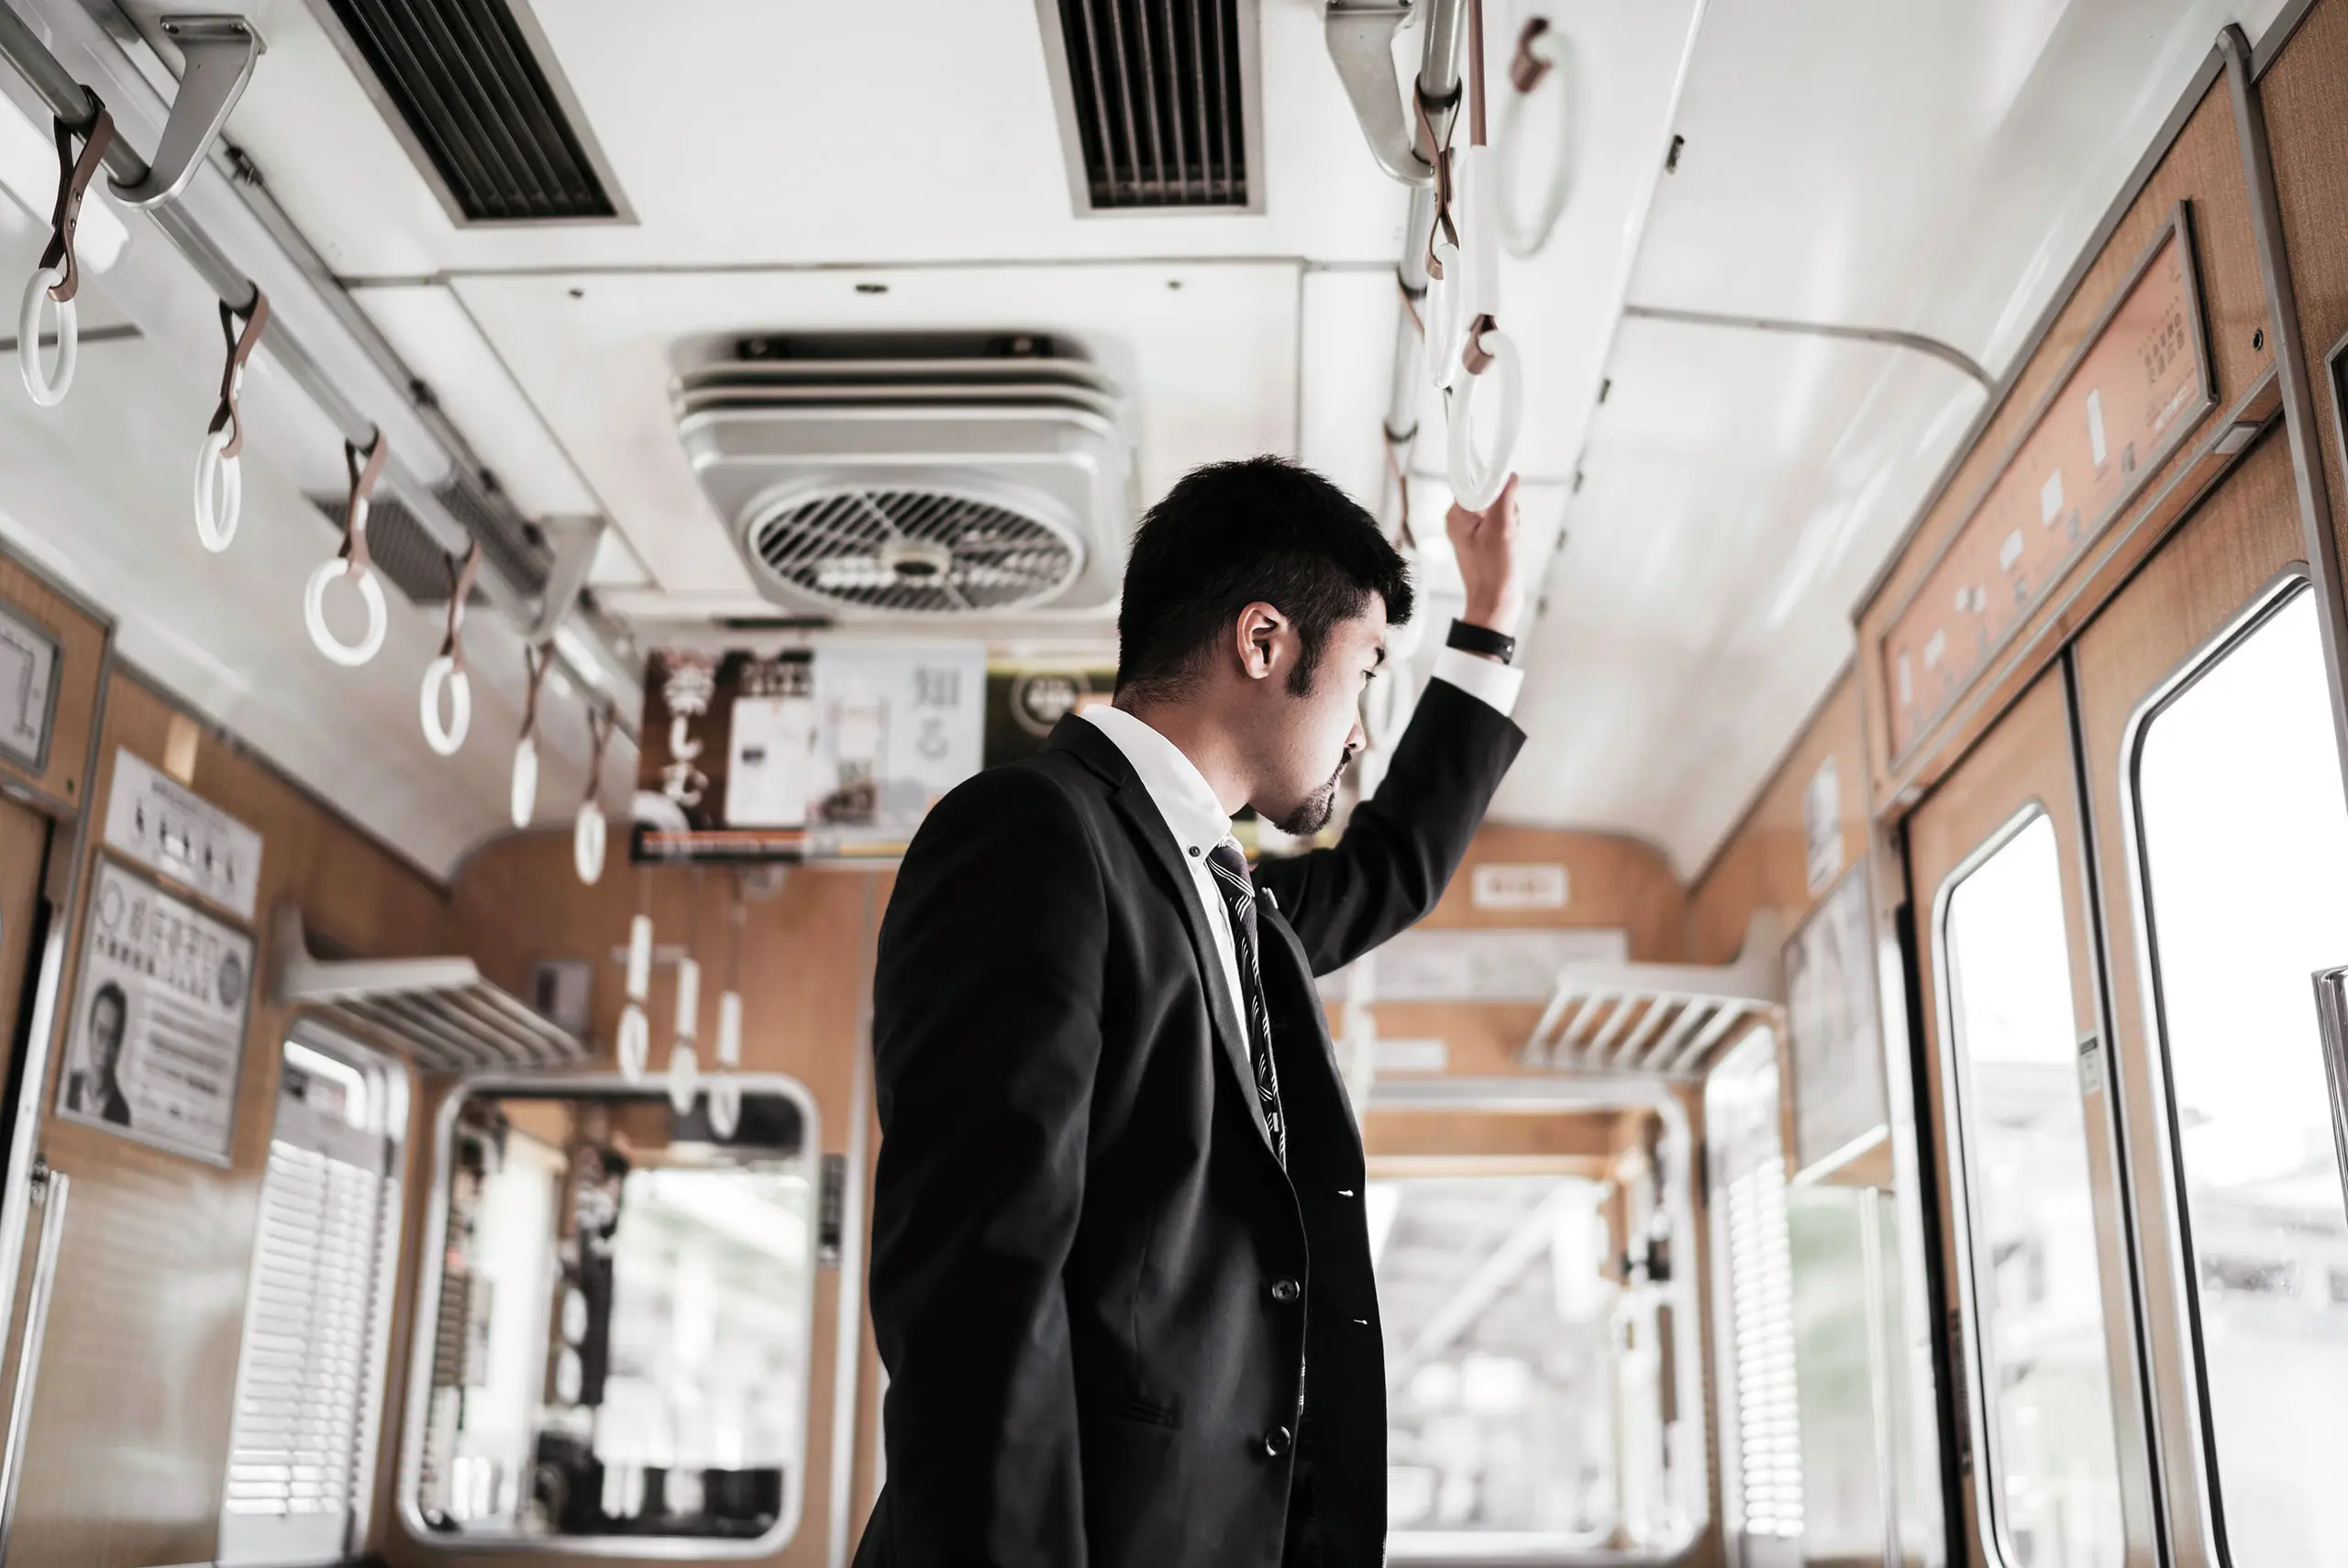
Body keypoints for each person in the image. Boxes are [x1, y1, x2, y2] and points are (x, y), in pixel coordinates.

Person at [857, 457, 1527, 1567]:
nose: (1360, 731)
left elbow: (1390, 871)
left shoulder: (1229, 895)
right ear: (1262, 643)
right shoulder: (1036, 834)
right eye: (1364, 670)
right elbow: (978, 1292)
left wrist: (1490, 624)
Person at [72, 980, 132, 1127]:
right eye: (101, 1033)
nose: (105, 1047)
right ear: (90, 1031)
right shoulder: (66, 1085)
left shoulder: (122, 1115)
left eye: (114, 1037)